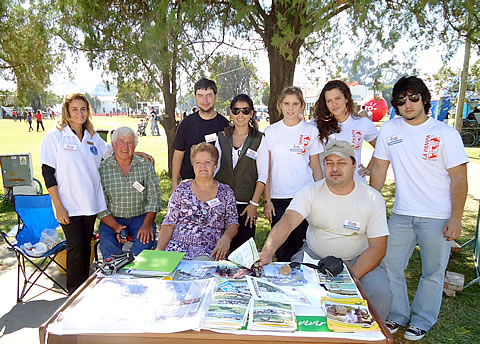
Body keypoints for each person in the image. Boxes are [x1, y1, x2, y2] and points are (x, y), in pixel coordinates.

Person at [370, 76, 469, 341]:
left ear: (424, 99)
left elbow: (459, 178)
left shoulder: (445, 133)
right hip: (402, 213)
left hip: (438, 216)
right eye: (401, 101)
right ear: (396, 106)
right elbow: (379, 167)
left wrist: (456, 218)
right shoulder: (389, 130)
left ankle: (423, 320)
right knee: (389, 264)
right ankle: (398, 315)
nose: (408, 104)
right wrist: (371, 203)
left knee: (432, 272)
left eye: (413, 98)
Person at [259, 140, 392, 320]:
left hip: (358, 259)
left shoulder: (372, 198)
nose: (334, 168)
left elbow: (378, 247)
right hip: (314, 256)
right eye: (329, 163)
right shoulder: (310, 191)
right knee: (291, 289)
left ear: (354, 165)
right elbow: (288, 221)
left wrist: (349, 277)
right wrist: (268, 250)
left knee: (380, 294)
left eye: (341, 163)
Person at [40, 93, 153, 294]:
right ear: (66, 111)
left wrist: (137, 154)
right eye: (74, 109)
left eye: (83, 109)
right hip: (68, 205)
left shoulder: (92, 137)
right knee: (76, 249)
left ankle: (83, 290)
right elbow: (48, 172)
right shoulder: (54, 136)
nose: (79, 113)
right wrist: (58, 205)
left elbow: (114, 151)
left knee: (86, 248)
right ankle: (74, 293)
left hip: (90, 204)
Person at [263, 86, 323, 262]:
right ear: (280, 105)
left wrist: (321, 195)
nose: (290, 108)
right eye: (286, 103)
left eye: (295, 104)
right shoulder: (271, 132)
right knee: (282, 251)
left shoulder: (311, 131)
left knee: (303, 250)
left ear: (302, 106)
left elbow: (316, 167)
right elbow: (265, 170)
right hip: (278, 198)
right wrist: (267, 201)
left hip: (304, 196)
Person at [157, 142, 238, 260]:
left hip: (211, 251)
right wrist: (159, 250)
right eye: (198, 162)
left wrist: (226, 238)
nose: (202, 166)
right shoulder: (182, 190)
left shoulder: (226, 192)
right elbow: (169, 223)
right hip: (178, 249)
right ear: (193, 166)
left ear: (215, 165)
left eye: (207, 162)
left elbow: (233, 223)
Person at [214, 94, 268, 251]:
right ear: (231, 113)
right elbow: (215, 168)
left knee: (243, 253)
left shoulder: (259, 139)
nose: (240, 115)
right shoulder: (222, 136)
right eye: (236, 111)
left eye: (245, 111)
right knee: (221, 252)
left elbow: (263, 175)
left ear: (251, 113)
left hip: (246, 206)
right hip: (222, 205)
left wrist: (254, 203)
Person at [98, 126, 162, 259]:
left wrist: (147, 224)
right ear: (113, 144)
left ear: (135, 145)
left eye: (130, 142)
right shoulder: (102, 169)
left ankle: (132, 269)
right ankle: (116, 272)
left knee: (143, 250)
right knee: (109, 250)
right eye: (121, 141)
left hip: (141, 218)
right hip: (112, 218)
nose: (126, 147)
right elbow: (100, 203)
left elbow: (154, 197)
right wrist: (115, 226)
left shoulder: (145, 165)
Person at [313, 80, 378, 183]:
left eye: (337, 98)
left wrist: (370, 168)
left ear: (346, 98)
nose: (334, 104)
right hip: (327, 186)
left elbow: (381, 147)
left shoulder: (362, 123)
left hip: (356, 186)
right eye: (329, 101)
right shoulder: (316, 125)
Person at [171, 78, 229, 191]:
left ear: (216, 96)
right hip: (190, 185)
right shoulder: (186, 124)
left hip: (217, 187)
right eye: (200, 95)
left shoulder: (225, 125)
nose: (205, 100)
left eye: (209, 95)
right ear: (196, 97)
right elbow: (178, 154)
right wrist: (174, 183)